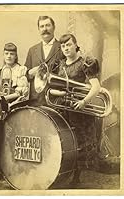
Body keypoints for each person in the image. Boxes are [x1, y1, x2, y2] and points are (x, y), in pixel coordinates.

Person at [56, 33, 101, 185]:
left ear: (76, 45)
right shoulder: (60, 65)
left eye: (69, 44)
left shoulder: (85, 63)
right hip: (64, 109)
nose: (66, 48)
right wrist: (60, 93)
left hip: (80, 110)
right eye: (63, 46)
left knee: (79, 144)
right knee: (66, 143)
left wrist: (83, 102)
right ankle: (65, 173)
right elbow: (54, 88)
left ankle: (76, 177)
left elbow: (96, 87)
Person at [25, 16, 64, 106]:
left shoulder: (62, 48)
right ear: (38, 29)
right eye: (42, 26)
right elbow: (26, 75)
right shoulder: (32, 50)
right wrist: (30, 72)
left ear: (54, 27)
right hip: (35, 100)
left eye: (48, 25)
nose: (45, 29)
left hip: (55, 100)